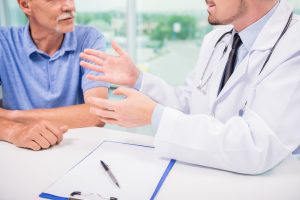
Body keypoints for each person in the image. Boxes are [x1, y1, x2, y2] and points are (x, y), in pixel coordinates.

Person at [80, 0, 300, 174]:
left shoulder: (293, 44)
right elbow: (190, 102)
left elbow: (257, 146)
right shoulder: (216, 40)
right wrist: (138, 79)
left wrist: (155, 116)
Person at [0, 0, 108, 150]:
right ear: (25, 5)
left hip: (76, 149)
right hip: (18, 151)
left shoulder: (89, 38)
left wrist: (11, 116)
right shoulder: (3, 42)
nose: (69, 6)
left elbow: (98, 113)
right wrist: (12, 131)